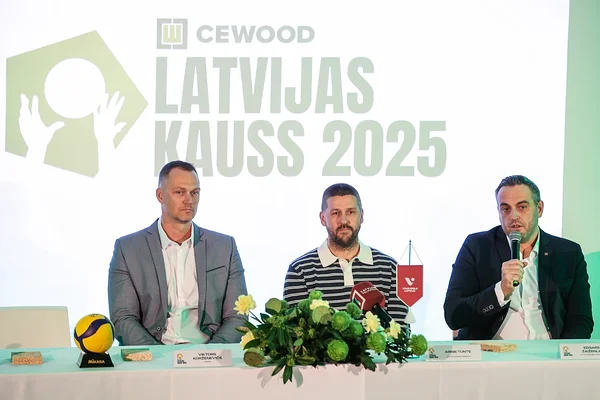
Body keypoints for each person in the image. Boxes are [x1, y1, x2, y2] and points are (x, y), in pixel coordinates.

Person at [108, 160, 248, 345]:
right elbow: (123, 318)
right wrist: (156, 356)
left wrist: (211, 355)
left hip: (209, 353)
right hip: (153, 353)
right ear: (160, 195)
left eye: (194, 192)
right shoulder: (128, 249)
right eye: (180, 192)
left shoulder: (224, 247)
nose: (189, 200)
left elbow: (237, 316)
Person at [444, 175, 593, 340]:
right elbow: (453, 315)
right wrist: (501, 291)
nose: (513, 216)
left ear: (539, 209)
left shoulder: (568, 252)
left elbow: (581, 320)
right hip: (491, 352)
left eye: (522, 207)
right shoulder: (477, 246)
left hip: (549, 352)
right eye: (505, 209)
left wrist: (562, 352)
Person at [283, 183, 413, 326]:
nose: (343, 221)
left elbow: (400, 332)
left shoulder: (391, 268)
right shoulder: (300, 270)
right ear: (322, 218)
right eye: (335, 213)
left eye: (350, 212)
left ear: (361, 216)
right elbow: (295, 333)